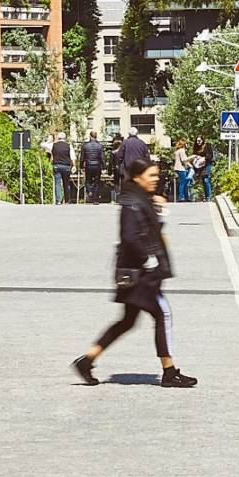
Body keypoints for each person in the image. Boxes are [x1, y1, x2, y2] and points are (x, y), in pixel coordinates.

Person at [73, 158, 196, 389]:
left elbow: (150, 231)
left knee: (127, 321)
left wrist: (159, 212)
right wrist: (148, 259)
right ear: (138, 177)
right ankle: (169, 372)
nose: (155, 179)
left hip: (136, 272)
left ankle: (87, 360)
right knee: (163, 315)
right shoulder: (131, 203)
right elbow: (130, 237)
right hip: (140, 273)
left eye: (156, 175)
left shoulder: (140, 199)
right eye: (151, 176)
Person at [81, 133, 106, 205]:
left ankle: (90, 191)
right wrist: (104, 167)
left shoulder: (85, 146)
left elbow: (82, 157)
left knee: (88, 180)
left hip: (88, 165)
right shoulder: (100, 146)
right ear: (96, 137)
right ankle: (96, 200)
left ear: (90, 136)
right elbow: (102, 157)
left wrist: (81, 166)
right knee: (97, 182)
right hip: (97, 166)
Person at [50, 132, 74, 206]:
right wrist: (74, 165)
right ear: (65, 138)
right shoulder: (69, 146)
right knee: (66, 184)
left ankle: (58, 200)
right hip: (66, 166)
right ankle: (67, 200)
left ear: (58, 138)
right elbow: (73, 157)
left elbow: (43, 144)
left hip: (56, 166)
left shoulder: (54, 145)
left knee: (57, 183)